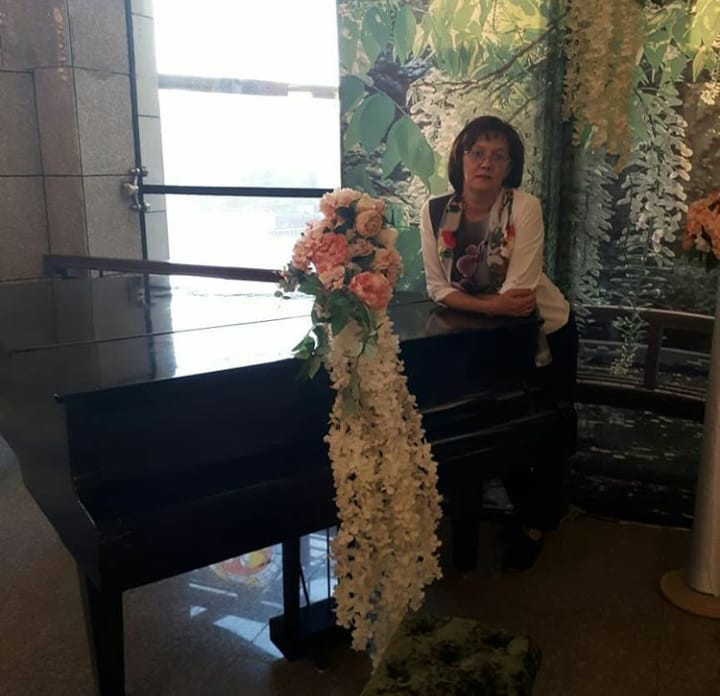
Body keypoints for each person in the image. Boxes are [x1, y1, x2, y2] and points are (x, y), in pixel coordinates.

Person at [419, 115, 578, 571]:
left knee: (544, 433)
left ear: (510, 166)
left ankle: (536, 525)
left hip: (545, 333)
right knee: (497, 434)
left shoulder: (523, 208)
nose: (485, 163)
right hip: (477, 340)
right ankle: (524, 514)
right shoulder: (435, 210)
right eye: (477, 153)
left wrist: (476, 303)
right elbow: (436, 288)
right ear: (461, 158)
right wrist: (490, 307)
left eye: (498, 155)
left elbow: (521, 295)